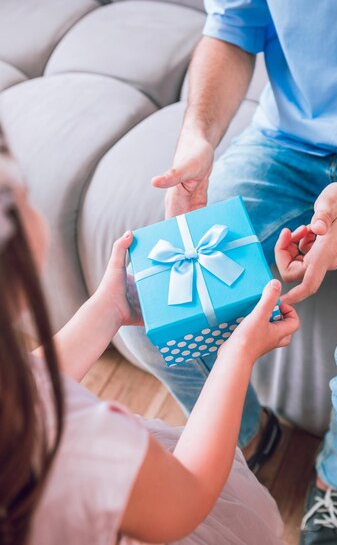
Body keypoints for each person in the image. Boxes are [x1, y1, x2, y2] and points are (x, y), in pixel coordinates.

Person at [140, 0, 337, 544]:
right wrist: (199, 138)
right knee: (159, 306)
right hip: (285, 140)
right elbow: (232, 25)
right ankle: (249, 439)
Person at [0, 139, 300, 545]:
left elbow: (33, 380)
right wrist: (238, 351)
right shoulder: (77, 442)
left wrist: (111, 307)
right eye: (25, 195)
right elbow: (188, 494)